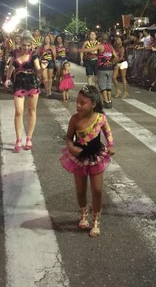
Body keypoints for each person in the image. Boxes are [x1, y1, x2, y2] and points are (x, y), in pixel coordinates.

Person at [59, 85, 115, 237]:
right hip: (79, 159)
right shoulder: (74, 120)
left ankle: (96, 220)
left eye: (82, 103)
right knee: (81, 190)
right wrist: (71, 148)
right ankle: (83, 214)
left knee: (97, 190)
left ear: (93, 104)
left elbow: (107, 132)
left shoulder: (100, 118)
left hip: (96, 158)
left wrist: (110, 145)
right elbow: (69, 138)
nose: (78, 105)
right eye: (77, 102)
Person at [4, 35, 43, 152]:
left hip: (32, 83)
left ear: (31, 45)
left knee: (32, 110)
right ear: (20, 44)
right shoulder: (15, 53)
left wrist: (43, 68)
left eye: (28, 45)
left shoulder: (34, 55)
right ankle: (18, 139)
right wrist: (7, 78)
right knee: (19, 111)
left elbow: (38, 71)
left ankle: (29, 138)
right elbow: (10, 67)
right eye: (24, 45)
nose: (26, 48)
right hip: (19, 84)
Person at [74, 34, 118, 108]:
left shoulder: (100, 46)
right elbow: (116, 57)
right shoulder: (110, 46)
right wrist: (111, 62)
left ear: (101, 39)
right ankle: (109, 101)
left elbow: (89, 50)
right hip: (110, 68)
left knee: (102, 85)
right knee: (108, 85)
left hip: (102, 67)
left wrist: (78, 50)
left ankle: (106, 101)